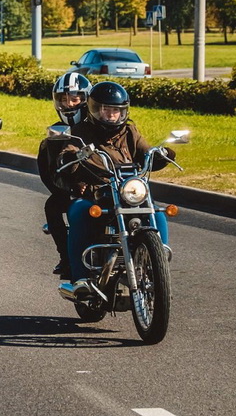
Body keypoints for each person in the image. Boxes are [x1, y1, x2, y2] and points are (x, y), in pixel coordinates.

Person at [56, 81, 176, 299]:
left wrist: (161, 155)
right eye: (106, 110)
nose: (112, 115)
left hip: (127, 191)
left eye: (117, 111)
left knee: (157, 213)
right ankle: (80, 278)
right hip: (96, 192)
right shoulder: (81, 130)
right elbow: (68, 151)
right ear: (94, 109)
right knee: (79, 211)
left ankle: (159, 261)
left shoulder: (129, 131)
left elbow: (145, 152)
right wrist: (70, 156)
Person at [37, 73, 92, 280]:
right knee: (52, 206)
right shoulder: (56, 132)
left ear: (86, 100)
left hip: (105, 185)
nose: (68, 104)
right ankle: (66, 256)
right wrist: (69, 188)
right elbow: (52, 172)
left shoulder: (97, 124)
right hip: (72, 190)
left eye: (74, 99)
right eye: (63, 99)